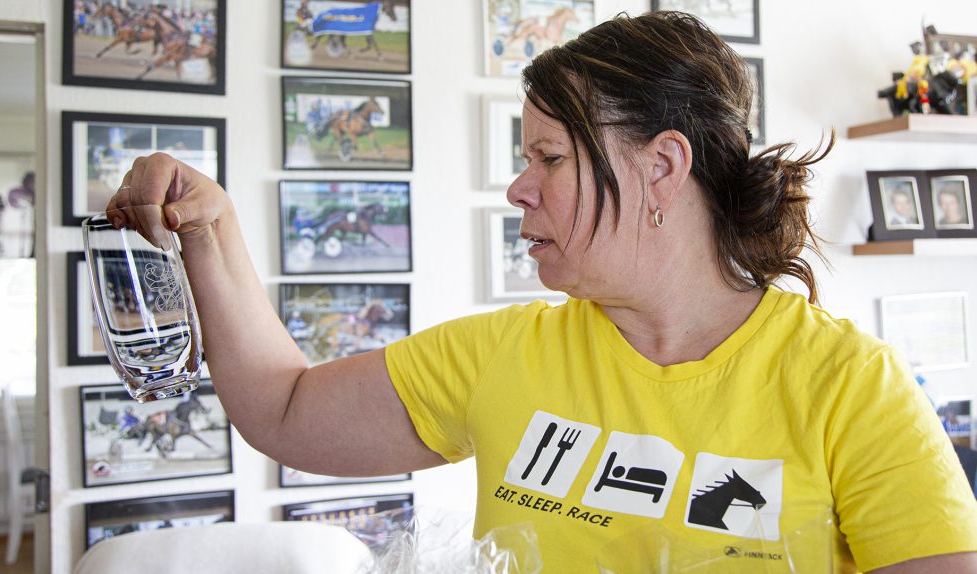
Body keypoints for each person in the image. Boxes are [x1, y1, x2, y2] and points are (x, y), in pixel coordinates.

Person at [106, 11, 977, 573]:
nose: (520, 189)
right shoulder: (504, 353)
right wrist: (209, 226)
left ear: (663, 167)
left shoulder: (851, 387)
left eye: (548, 158)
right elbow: (284, 409)